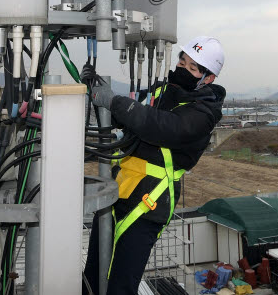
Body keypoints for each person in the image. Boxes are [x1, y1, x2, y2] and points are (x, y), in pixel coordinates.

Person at [83, 36, 226, 295]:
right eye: (182, 62)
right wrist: (97, 92)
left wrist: (114, 101)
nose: (183, 69)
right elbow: (131, 119)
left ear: (209, 78)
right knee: (92, 276)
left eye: (193, 68)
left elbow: (159, 126)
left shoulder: (202, 114)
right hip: (120, 190)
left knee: (120, 286)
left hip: (149, 203)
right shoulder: (163, 92)